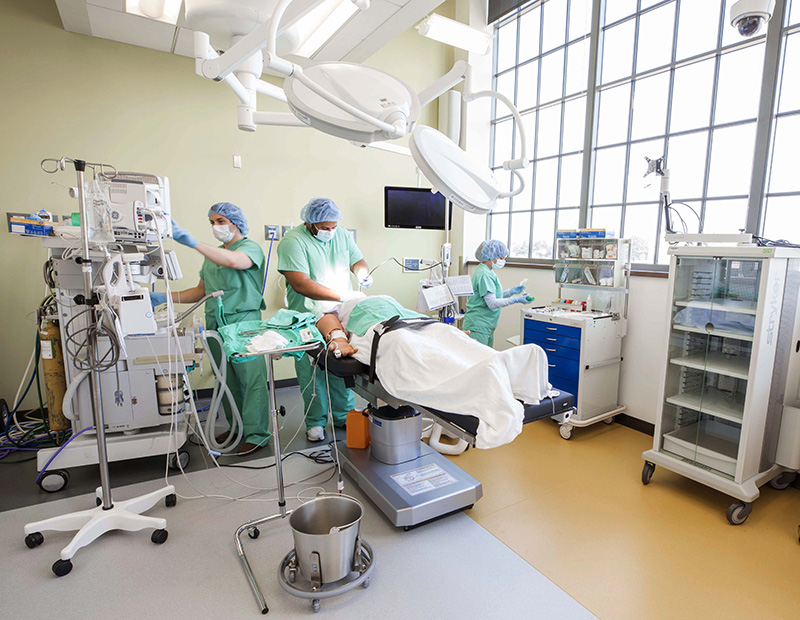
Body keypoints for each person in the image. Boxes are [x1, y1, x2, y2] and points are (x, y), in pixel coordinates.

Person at [315, 295, 552, 449]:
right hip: (387, 333)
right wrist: (338, 337)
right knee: (408, 349)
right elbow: (326, 322)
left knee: (457, 342)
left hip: (418, 324)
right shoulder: (339, 307)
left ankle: (499, 366)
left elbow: (405, 311)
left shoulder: (384, 297)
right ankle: (484, 378)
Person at [154, 202, 270, 455]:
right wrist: (163, 296)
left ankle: (257, 433)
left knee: (251, 380)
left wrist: (192, 242)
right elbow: (200, 291)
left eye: (220, 221)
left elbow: (234, 261)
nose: (216, 227)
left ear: (235, 223)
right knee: (226, 379)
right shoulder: (212, 257)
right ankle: (237, 427)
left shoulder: (250, 248)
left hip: (243, 322)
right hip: (216, 323)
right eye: (212, 222)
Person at [277, 197, 371, 442]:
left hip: (340, 312)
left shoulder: (340, 235)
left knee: (341, 363)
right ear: (310, 223)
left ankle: (344, 415)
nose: (331, 232)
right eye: (325, 228)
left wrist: (362, 273)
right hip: (307, 314)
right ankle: (315, 421)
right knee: (312, 372)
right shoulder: (292, 242)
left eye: (334, 227)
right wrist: (342, 293)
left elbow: (356, 260)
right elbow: (301, 284)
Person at [462, 240, 529, 347]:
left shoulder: (486, 271)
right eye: (501, 258)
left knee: (486, 359)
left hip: (486, 325)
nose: (503, 261)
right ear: (491, 256)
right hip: (478, 326)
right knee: (478, 360)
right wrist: (516, 300)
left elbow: (493, 296)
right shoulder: (484, 274)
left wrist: (510, 292)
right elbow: (492, 303)